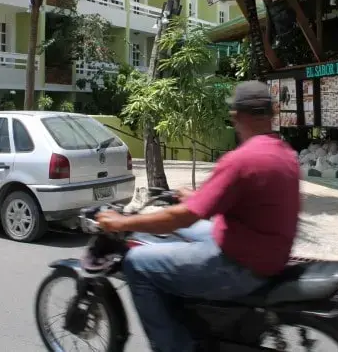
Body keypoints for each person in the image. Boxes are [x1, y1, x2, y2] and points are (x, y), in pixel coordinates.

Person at [96, 81, 301, 352]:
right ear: (271, 114)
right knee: (181, 235)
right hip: (263, 251)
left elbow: (181, 218)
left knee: (137, 262)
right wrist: (195, 197)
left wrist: (122, 222)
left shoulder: (242, 160)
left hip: (240, 264)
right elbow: (231, 202)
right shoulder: (283, 153)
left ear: (236, 116)